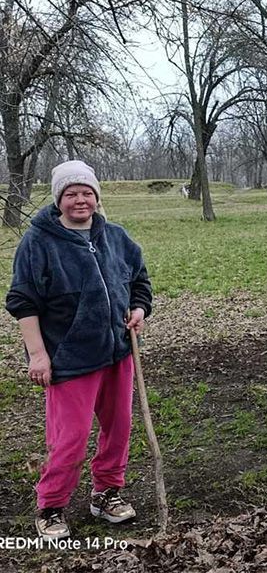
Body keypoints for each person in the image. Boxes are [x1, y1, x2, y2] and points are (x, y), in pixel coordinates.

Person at [5, 160, 153, 541]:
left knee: (118, 430)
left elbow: (139, 280)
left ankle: (106, 493)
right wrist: (38, 355)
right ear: (59, 199)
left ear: (97, 197)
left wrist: (138, 309)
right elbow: (23, 301)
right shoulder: (38, 242)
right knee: (70, 438)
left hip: (117, 352)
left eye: (87, 192)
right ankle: (51, 505)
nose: (80, 200)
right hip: (70, 360)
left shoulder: (116, 237)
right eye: (71, 193)